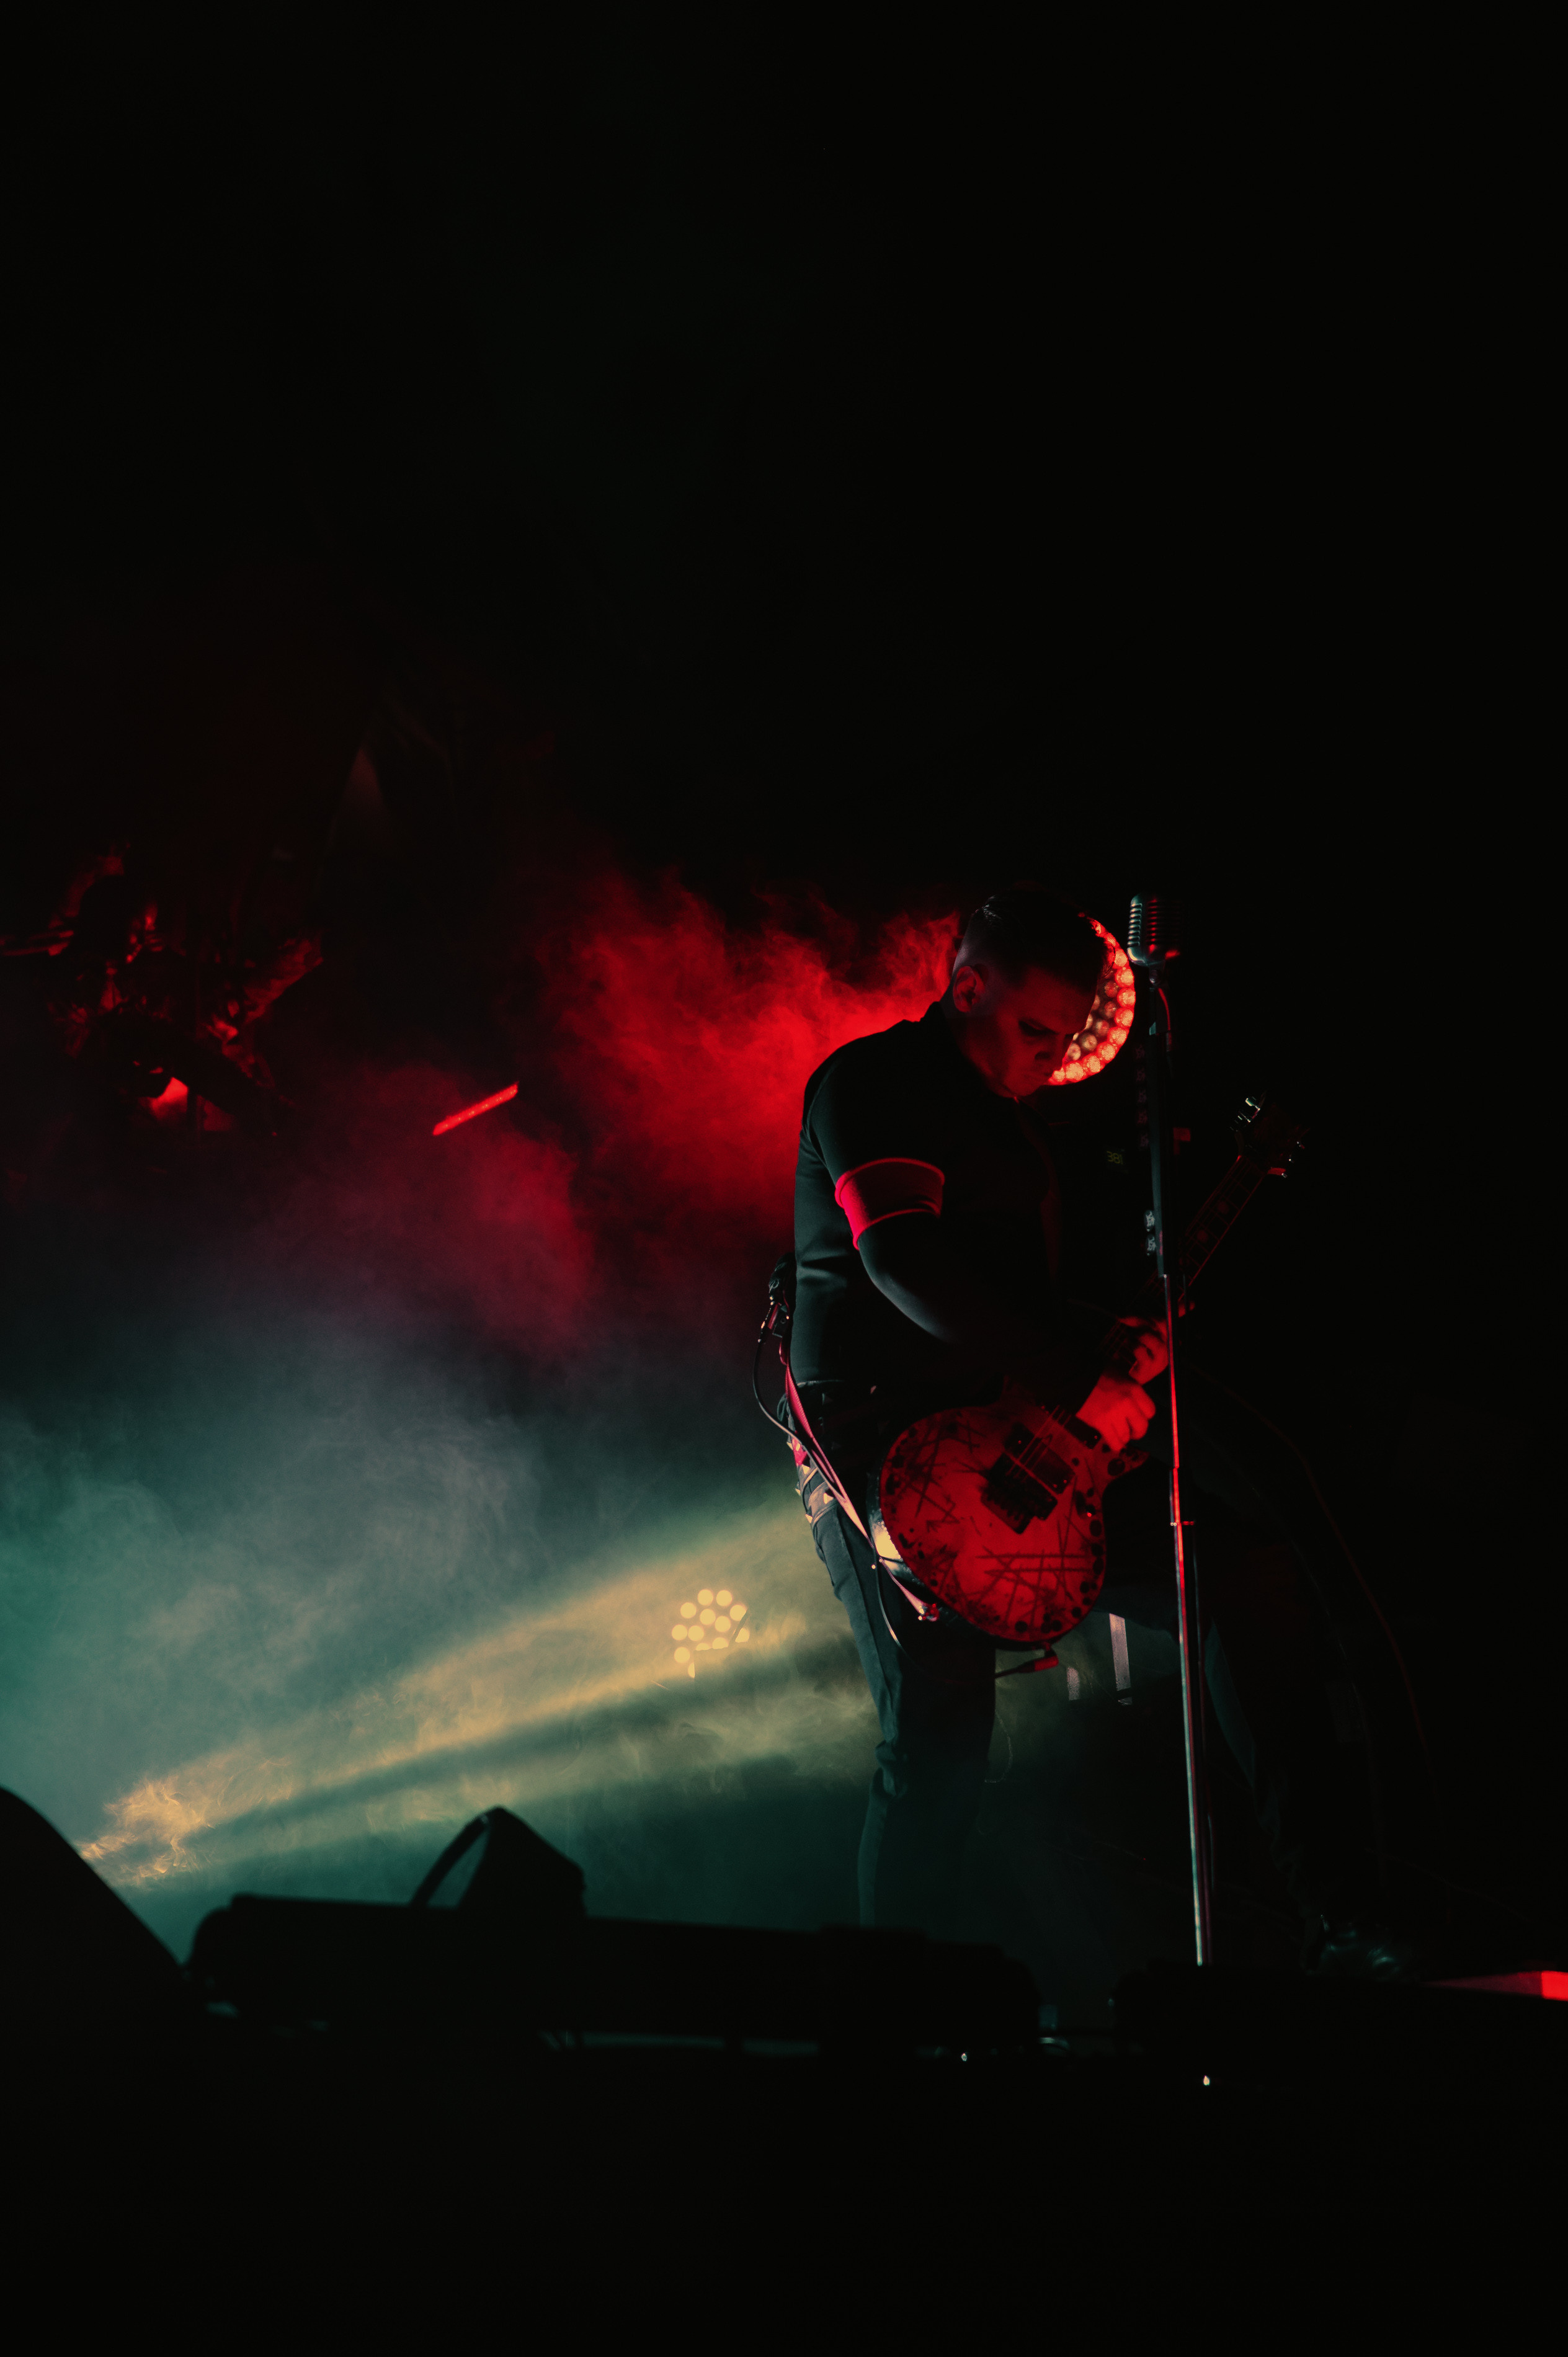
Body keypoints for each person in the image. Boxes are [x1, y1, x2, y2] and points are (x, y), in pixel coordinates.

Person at [789, 884, 1407, 1975]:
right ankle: (881, 2017)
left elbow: (1015, 1301)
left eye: (1066, 1040)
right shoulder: (875, 1082)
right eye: (1034, 1030)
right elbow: (902, 1261)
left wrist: (1107, 1355)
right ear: (966, 986)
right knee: (938, 1740)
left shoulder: (1017, 1138)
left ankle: (1344, 1914)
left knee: (1229, 1567)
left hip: (1014, 1436)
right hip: (887, 1455)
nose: (1050, 1056)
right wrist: (1076, 1366)